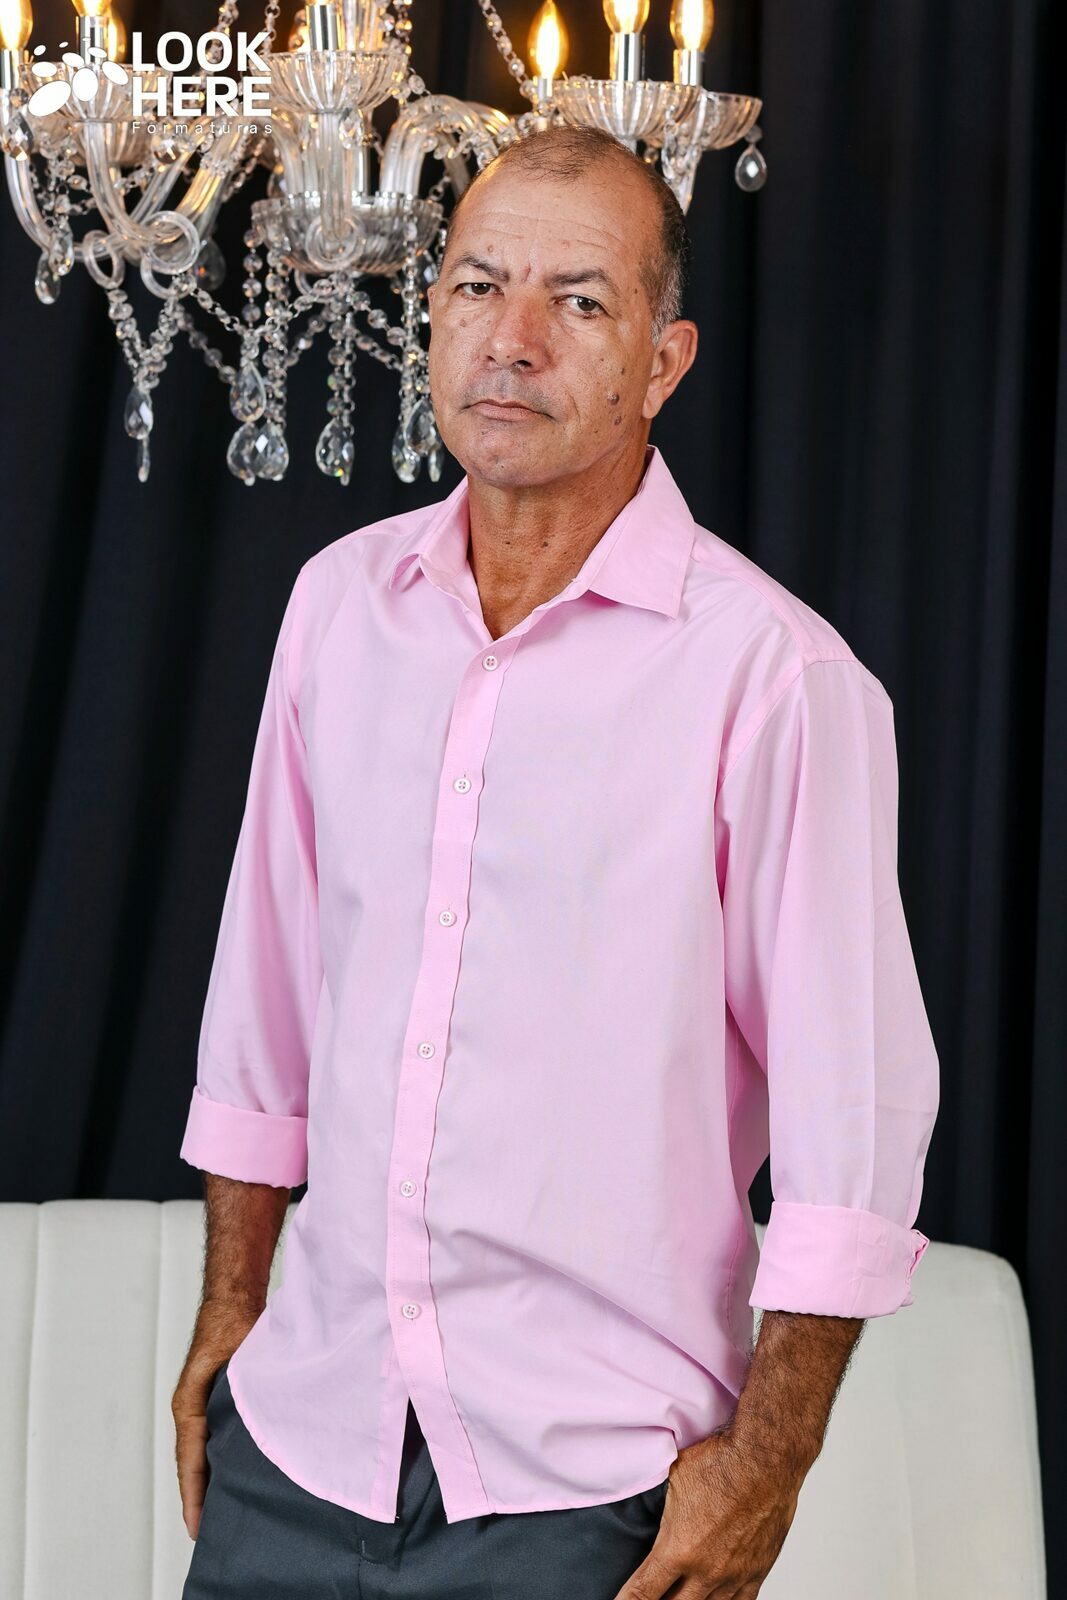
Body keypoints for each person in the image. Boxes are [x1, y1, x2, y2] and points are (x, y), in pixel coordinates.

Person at [173, 123, 940, 1599]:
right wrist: (230, 1311)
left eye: (578, 301)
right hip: (296, 1446)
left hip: (588, 1492)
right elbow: (260, 1010)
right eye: (477, 286)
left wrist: (769, 1468)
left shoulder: (776, 679)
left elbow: (853, 1123)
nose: (511, 340)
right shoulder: (338, 608)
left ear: (663, 363)